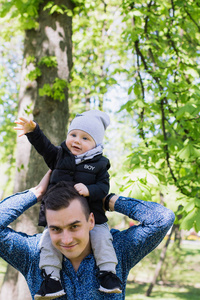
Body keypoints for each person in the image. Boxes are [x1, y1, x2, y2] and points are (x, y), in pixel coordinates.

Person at [0, 171, 175, 300]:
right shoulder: (33, 254)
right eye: (56, 229)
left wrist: (106, 199)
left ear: (91, 221)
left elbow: (162, 219)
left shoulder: (117, 249)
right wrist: (36, 193)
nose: (66, 239)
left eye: (74, 226)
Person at [14, 110, 121, 299]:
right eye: (73, 135)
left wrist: (90, 190)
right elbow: (44, 147)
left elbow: (103, 187)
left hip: (93, 216)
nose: (77, 141)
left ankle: (108, 274)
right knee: (47, 243)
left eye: (85, 138)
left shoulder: (100, 164)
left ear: (96, 143)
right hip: (55, 216)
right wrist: (33, 131)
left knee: (103, 238)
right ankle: (51, 279)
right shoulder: (59, 155)